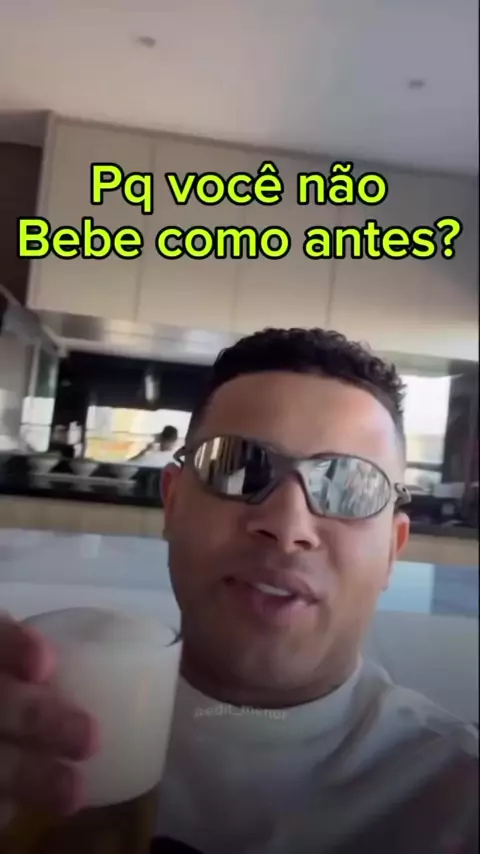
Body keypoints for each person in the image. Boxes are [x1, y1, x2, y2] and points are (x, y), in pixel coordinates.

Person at [0, 328, 477, 854]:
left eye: (350, 486)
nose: (288, 526)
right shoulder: (33, 727)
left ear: (392, 549)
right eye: (237, 466)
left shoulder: (458, 796)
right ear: (173, 504)